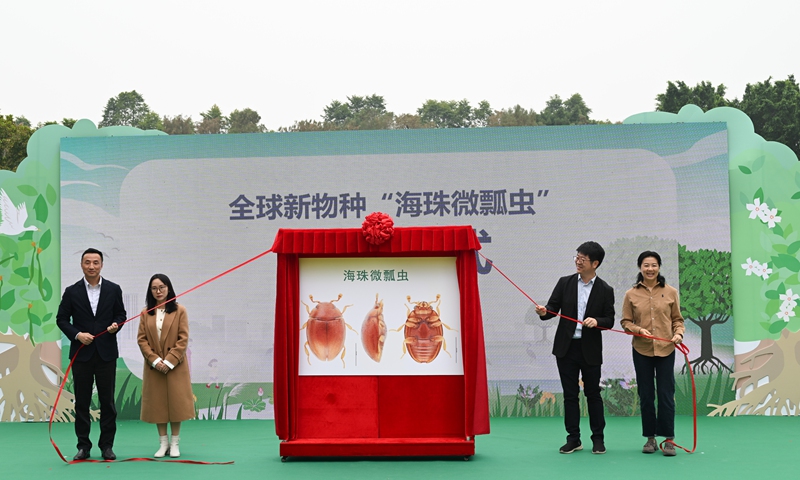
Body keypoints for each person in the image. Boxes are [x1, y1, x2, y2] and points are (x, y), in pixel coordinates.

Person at [536, 241, 615, 455]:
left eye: (583, 259)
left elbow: (610, 320)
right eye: (577, 258)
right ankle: (573, 439)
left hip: (589, 349)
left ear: (595, 263)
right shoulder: (565, 283)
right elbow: (552, 309)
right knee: (570, 395)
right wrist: (544, 312)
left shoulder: (605, 289)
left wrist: (596, 321)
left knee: (593, 395)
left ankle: (598, 439)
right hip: (566, 348)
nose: (578, 262)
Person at [56, 248, 126, 461]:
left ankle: (107, 446)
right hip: (82, 355)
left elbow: (120, 315)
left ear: (101, 265)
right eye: (88, 262)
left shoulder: (114, 289)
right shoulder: (71, 291)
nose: (92, 266)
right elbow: (61, 319)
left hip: (106, 354)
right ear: (81, 265)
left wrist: (116, 325)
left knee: (108, 402)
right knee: (82, 402)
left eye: (96, 262)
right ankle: (83, 447)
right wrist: (77, 335)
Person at [620, 251, 685, 457]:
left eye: (654, 265)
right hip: (642, 350)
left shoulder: (671, 292)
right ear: (640, 267)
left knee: (666, 395)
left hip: (666, 350)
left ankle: (669, 440)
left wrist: (678, 334)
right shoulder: (631, 294)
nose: (650, 269)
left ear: (659, 267)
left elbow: (678, 320)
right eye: (646, 265)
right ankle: (650, 438)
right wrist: (639, 330)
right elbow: (625, 323)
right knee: (646, 395)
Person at [137, 273, 194, 458]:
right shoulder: (146, 313)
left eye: (162, 287)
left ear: (168, 288)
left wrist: (169, 361)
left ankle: (175, 443)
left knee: (176, 404)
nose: (158, 291)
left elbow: (183, 339)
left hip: (175, 366)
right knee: (158, 405)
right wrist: (154, 360)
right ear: (150, 291)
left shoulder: (180, 310)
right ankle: (163, 443)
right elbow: (142, 340)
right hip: (154, 367)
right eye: (154, 288)